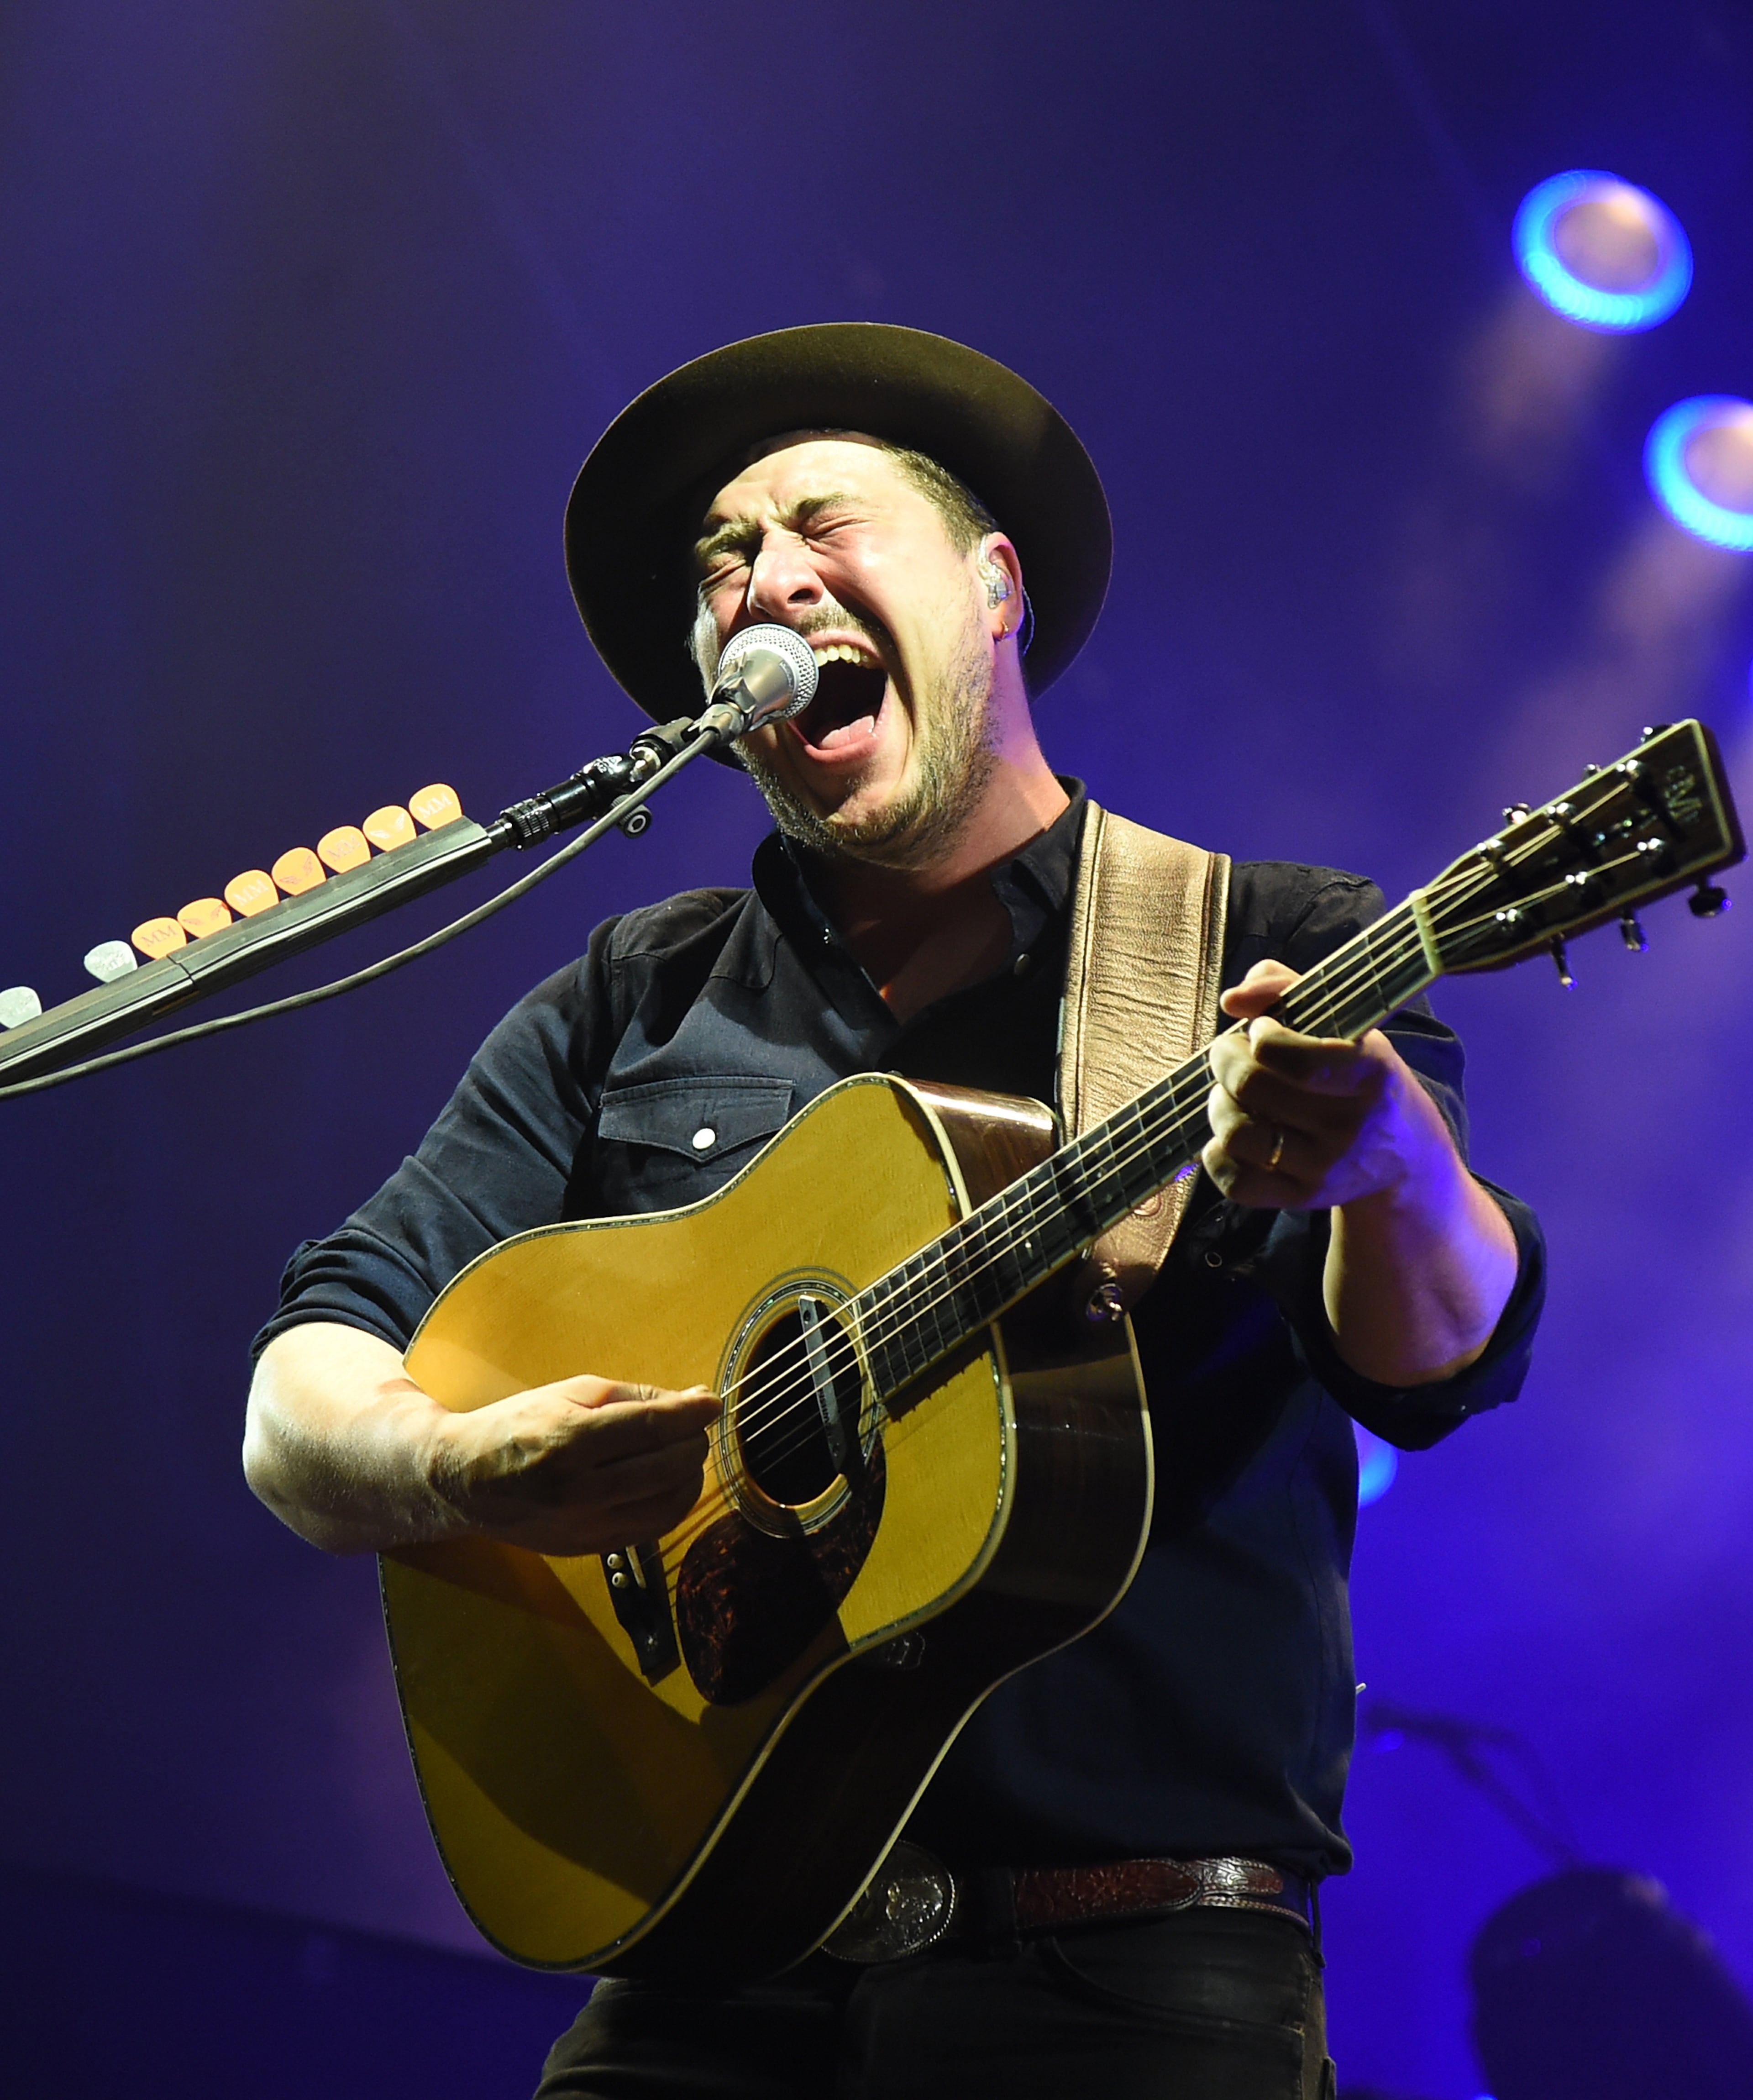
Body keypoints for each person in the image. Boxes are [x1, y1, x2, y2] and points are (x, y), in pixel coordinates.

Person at [243, 324, 1544, 2100]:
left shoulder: (1266, 941)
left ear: (993, 587)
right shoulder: (635, 997)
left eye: (820, 521)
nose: (765, 580)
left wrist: (1397, 1169)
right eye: (724, 561)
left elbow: (1434, 1367)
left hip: (1133, 1988)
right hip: (699, 1976)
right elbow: (306, 1387)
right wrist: (455, 1471)